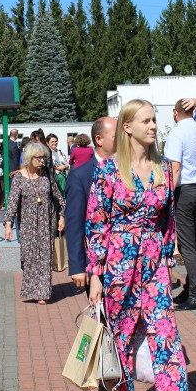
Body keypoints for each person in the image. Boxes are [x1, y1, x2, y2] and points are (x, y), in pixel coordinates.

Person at [86, 99, 196, 391]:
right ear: (127, 127)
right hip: (118, 266)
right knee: (119, 342)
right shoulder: (107, 171)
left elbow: (167, 222)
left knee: (166, 340)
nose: (154, 126)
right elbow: (96, 223)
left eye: (155, 120)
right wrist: (95, 274)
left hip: (152, 265)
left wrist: (167, 264)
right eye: (147, 121)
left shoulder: (165, 170)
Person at [3, 141, 66, 303]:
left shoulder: (47, 174)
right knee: (29, 257)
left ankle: (43, 293)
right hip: (27, 225)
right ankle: (32, 289)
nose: (42, 161)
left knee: (44, 257)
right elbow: (12, 202)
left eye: (44, 158)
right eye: (38, 158)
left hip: (46, 222)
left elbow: (59, 197)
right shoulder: (19, 178)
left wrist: (62, 216)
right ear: (30, 158)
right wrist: (8, 224)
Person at [164, 97, 196, 311]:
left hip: (184, 190)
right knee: (193, 242)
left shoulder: (177, 132)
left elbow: (175, 168)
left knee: (186, 245)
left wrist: (166, 198)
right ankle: (192, 288)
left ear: (175, 113)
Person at [65, 117, 117, 292]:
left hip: (127, 258)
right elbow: (75, 223)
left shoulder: (130, 169)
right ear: (99, 139)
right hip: (97, 263)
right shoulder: (81, 175)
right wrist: (78, 266)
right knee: (101, 317)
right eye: (116, 135)